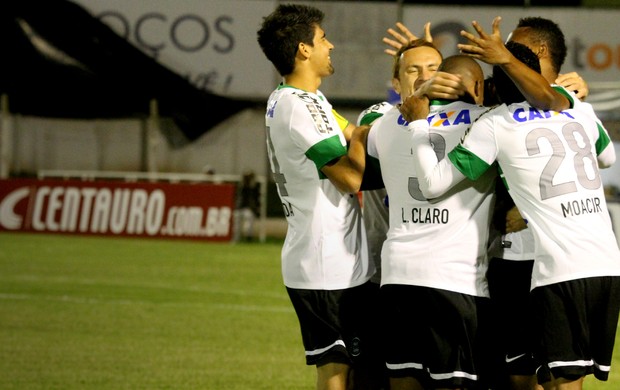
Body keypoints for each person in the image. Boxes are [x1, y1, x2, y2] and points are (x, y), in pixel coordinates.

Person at [404, 41, 620, 390]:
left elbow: (433, 183)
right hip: (608, 264)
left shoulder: (495, 124)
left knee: (556, 380)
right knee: (571, 379)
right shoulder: (574, 106)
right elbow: (606, 156)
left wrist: (417, 125)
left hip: (558, 270)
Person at [257, 4, 376, 390]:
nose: (332, 45)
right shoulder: (300, 106)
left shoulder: (296, 98)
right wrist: (359, 138)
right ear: (304, 49)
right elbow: (349, 177)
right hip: (326, 265)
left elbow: (355, 132)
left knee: (354, 369)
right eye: (323, 39)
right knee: (336, 372)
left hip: (330, 258)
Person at [369, 41, 495, 389]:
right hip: (453, 279)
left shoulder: (387, 122)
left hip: (398, 275)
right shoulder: (489, 123)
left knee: (403, 380)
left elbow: (358, 149)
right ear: (478, 86)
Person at [233, 170, 260, 242]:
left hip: (248, 208)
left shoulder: (253, 187)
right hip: (239, 208)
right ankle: (236, 238)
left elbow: (255, 197)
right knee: (236, 224)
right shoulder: (241, 186)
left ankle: (248, 237)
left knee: (249, 219)